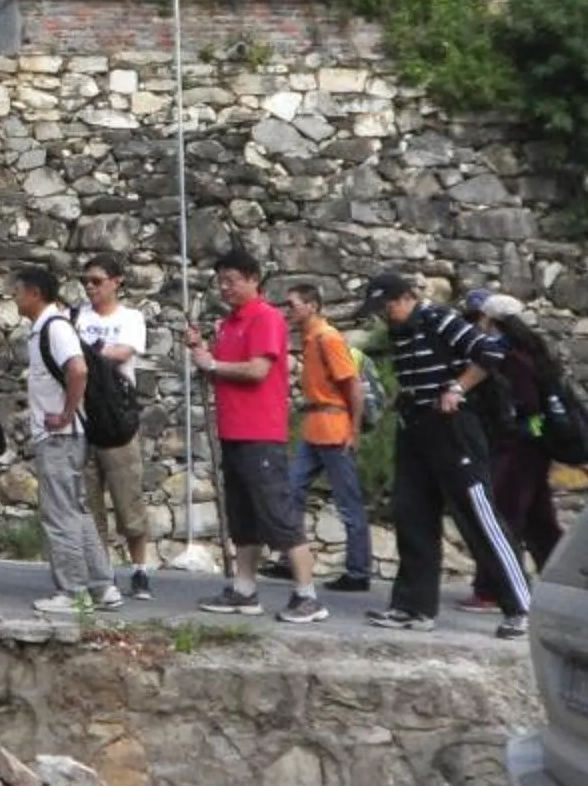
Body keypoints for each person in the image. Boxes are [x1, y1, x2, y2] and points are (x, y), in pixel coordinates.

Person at [361, 274, 531, 638]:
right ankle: (413, 606)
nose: (385, 315)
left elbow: (491, 353)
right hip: (415, 428)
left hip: (452, 427)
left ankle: (521, 606)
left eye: (388, 306)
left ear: (407, 297)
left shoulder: (439, 318)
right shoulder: (400, 331)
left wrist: (457, 387)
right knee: (412, 514)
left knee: (477, 513)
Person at [187, 250, 322, 624]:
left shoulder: (266, 319)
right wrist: (203, 354)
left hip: (261, 432)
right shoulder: (230, 324)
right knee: (242, 516)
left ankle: (307, 594)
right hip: (232, 431)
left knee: (278, 513)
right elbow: (220, 374)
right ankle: (244, 590)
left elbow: (258, 370)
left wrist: (212, 363)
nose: (225, 288)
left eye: (231, 280)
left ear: (252, 279)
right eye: (221, 281)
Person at [11, 264, 122, 617]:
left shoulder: (54, 328)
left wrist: (66, 414)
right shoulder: (49, 327)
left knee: (60, 514)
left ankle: (73, 591)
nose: (13, 297)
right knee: (77, 510)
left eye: (17, 291)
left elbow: (78, 369)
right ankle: (102, 585)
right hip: (67, 436)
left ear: (34, 293)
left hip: (60, 437)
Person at [74, 254, 158, 600]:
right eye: (86, 282)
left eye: (96, 280)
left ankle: (139, 568)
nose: (90, 287)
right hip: (85, 414)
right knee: (90, 501)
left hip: (117, 416)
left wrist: (89, 352)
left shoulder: (131, 318)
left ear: (116, 281)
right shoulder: (77, 316)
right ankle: (102, 572)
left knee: (128, 500)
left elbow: (123, 352)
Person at [474, 304, 569, 603]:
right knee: (540, 522)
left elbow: (528, 406)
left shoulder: (512, 359)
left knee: (504, 516)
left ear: (491, 320)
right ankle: (564, 581)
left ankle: (493, 589)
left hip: (518, 450)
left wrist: (518, 432)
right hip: (532, 449)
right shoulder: (533, 354)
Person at [284, 282, 375, 593]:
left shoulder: (327, 338)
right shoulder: (313, 339)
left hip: (334, 430)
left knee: (349, 504)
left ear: (312, 306)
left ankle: (359, 571)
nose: (289, 311)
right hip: (316, 428)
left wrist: (355, 430)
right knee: (292, 490)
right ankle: (292, 559)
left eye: (294, 304)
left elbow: (353, 387)